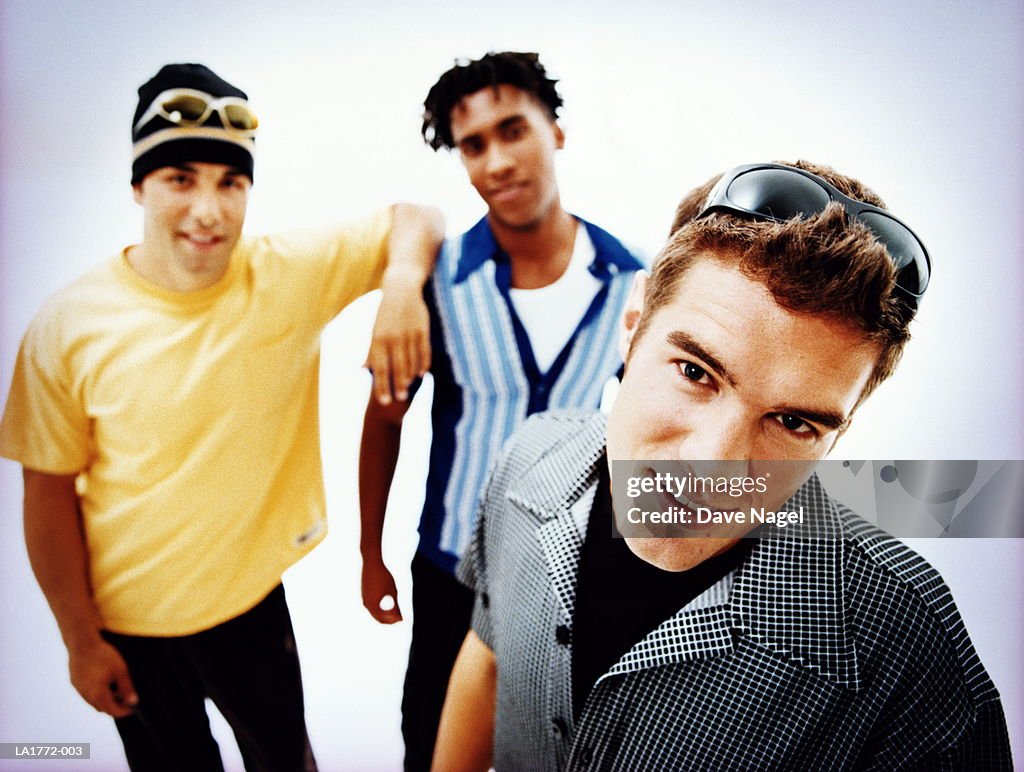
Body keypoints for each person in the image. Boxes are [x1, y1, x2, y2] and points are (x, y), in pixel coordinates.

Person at [434, 161, 1013, 770]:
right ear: (632, 327)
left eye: (793, 422)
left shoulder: (908, 649)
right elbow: (488, 651)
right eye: (695, 373)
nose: (713, 465)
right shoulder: (530, 457)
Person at [0, 62, 445, 772]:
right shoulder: (68, 326)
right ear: (139, 185)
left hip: (248, 606)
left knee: (286, 762)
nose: (209, 210)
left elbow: (417, 218)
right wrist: (79, 639)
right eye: (181, 178)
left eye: (230, 182)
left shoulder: (285, 273)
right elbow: (45, 492)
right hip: (126, 622)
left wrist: (399, 287)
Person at [357, 51, 644, 771]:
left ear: (557, 131)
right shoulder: (440, 280)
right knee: (429, 741)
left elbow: (653, 425)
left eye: (513, 129)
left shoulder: (632, 282)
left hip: (568, 568)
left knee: (558, 746)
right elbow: (384, 420)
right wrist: (370, 554)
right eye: (473, 145)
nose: (496, 161)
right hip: (450, 564)